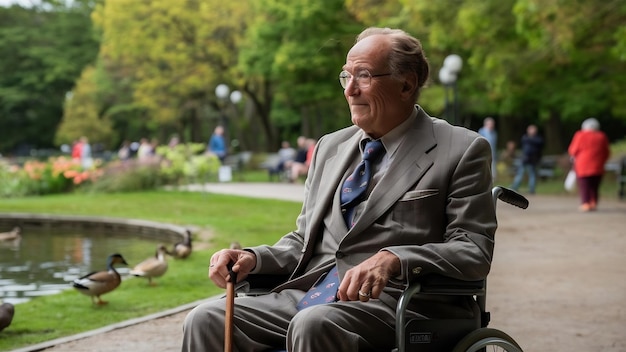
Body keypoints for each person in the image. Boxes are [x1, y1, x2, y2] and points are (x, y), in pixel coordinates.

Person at [182, 27, 496, 351]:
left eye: (363, 76)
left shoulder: (461, 149)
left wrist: (394, 258)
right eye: (346, 76)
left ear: (406, 84)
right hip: (313, 291)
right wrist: (252, 258)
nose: (350, 91)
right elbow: (305, 240)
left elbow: (472, 250)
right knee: (206, 318)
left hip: (400, 303)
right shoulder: (330, 147)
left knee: (314, 323)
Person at [567, 118, 610, 211]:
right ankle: (593, 202)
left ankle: (585, 203)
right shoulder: (602, 136)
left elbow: (573, 150)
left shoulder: (580, 135)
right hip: (598, 165)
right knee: (595, 185)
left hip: (583, 165)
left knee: (584, 185)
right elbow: (607, 152)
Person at [511, 124, 544, 194]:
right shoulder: (525, 138)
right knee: (520, 173)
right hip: (525, 159)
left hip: (533, 160)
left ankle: (532, 189)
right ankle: (514, 187)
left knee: (532, 174)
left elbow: (539, 144)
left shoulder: (537, 139)